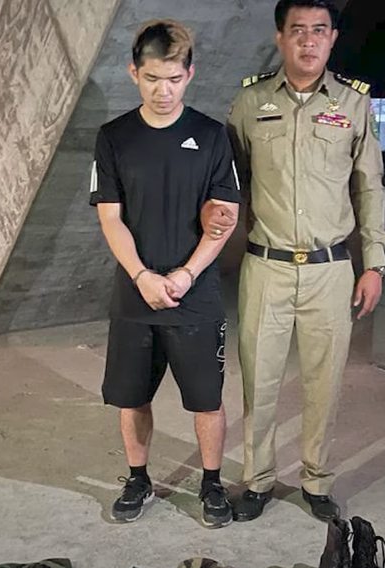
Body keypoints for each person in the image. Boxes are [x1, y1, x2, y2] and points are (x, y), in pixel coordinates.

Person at [203, 0, 385, 522]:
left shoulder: (353, 104)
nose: (309, 41)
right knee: (258, 380)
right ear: (280, 38)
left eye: (319, 31)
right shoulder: (250, 102)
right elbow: (227, 181)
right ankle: (258, 480)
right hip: (267, 266)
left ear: (333, 39)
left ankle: (316, 479)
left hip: (331, 270)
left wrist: (373, 263)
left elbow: (370, 187)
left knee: (324, 383)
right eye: (298, 30)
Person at [90, 19, 241, 528]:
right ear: (134, 73)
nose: (163, 90)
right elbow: (110, 218)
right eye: (152, 78)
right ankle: (138, 479)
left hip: (195, 294)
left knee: (206, 400)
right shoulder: (114, 138)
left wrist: (186, 274)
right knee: (131, 397)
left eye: (174, 79)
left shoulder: (211, 136)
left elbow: (224, 218)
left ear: (189, 75)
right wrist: (141, 276)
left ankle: (212, 484)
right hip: (135, 294)